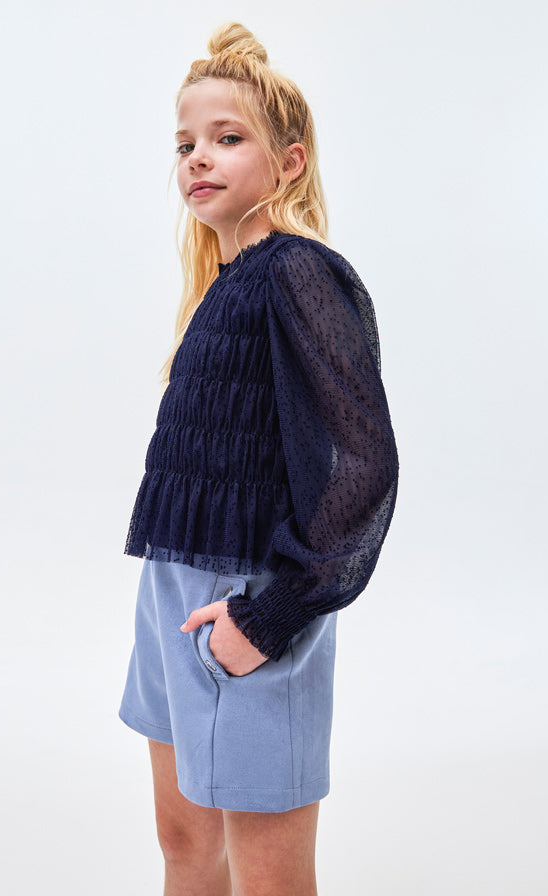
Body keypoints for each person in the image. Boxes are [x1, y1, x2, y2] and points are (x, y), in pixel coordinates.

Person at [119, 22, 399, 896]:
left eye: (227, 138)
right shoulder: (222, 284)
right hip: (172, 588)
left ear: (288, 163)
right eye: (186, 144)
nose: (198, 158)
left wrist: (270, 615)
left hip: (247, 597)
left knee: (268, 875)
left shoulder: (297, 271)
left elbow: (363, 463)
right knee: (183, 842)